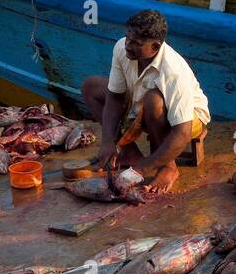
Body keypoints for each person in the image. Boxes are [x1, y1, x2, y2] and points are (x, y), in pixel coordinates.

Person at [80, 10, 211, 195]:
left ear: (155, 47)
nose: (128, 45)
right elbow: (115, 97)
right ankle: (129, 152)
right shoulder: (121, 48)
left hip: (190, 118)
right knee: (91, 87)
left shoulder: (173, 70)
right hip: (140, 105)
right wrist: (108, 141)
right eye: (128, 38)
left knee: (153, 101)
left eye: (136, 43)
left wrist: (141, 169)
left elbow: (182, 133)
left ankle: (169, 167)